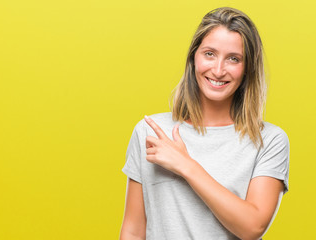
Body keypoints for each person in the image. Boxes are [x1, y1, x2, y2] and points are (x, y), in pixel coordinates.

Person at [119, 7, 290, 240]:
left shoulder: (269, 140)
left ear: (247, 68)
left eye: (233, 59)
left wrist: (185, 165)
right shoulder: (150, 132)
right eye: (209, 53)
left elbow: (252, 227)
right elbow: (132, 231)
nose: (218, 70)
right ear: (194, 57)